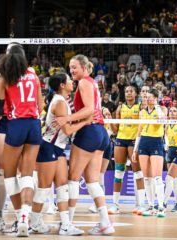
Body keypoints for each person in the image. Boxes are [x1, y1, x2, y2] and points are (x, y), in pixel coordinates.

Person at [54, 54, 114, 235]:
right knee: (92, 181)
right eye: (70, 67)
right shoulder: (92, 83)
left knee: (73, 179)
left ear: (84, 68)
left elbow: (89, 109)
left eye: (75, 67)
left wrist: (67, 118)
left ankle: (67, 224)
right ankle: (105, 223)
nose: (71, 70)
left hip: (89, 132)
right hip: (100, 132)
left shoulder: (83, 83)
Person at [0, 44, 44, 237]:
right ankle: (25, 217)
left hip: (16, 125)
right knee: (28, 175)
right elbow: (40, 104)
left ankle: (17, 218)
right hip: (34, 125)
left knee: (9, 174)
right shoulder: (33, 75)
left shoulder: (4, 77)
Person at [31, 73, 88, 235]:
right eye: (69, 80)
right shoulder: (60, 102)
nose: (72, 82)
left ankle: (65, 225)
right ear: (62, 85)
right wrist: (84, 121)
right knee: (43, 188)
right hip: (48, 147)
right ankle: (34, 223)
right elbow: (68, 130)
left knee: (63, 186)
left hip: (58, 148)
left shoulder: (62, 101)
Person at [109, 86, 146, 215]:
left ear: (136, 93)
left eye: (131, 91)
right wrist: (109, 119)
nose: (128, 93)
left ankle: (141, 204)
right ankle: (115, 205)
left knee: (138, 173)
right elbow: (115, 130)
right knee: (118, 173)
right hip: (120, 140)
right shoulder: (120, 108)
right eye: (126, 91)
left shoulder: (140, 106)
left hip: (133, 142)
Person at [132, 88, 168, 217]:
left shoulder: (162, 109)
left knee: (157, 177)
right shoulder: (142, 112)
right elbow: (139, 132)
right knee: (147, 178)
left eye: (150, 97)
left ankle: (161, 207)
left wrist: (156, 105)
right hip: (144, 143)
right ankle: (151, 206)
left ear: (156, 99)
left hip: (156, 142)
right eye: (146, 97)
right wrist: (135, 150)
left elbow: (162, 120)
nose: (147, 99)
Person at [89, 107, 114, 213]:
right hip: (98, 144)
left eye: (107, 112)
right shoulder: (96, 120)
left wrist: (110, 117)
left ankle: (99, 204)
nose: (106, 113)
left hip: (107, 145)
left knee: (100, 175)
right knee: (97, 176)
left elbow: (113, 131)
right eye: (104, 112)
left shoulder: (108, 121)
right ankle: (97, 203)